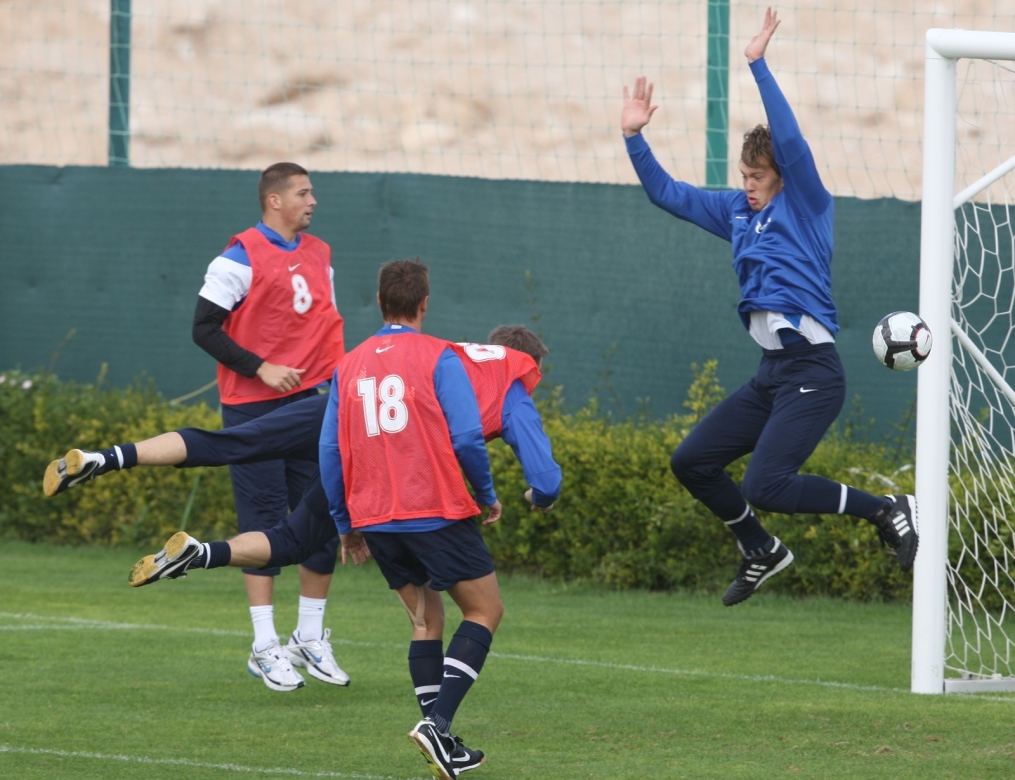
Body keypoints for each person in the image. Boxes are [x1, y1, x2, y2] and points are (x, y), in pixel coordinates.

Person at [620, 8, 918, 607]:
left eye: (759, 175)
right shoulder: (737, 211)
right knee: (692, 461)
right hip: (772, 376)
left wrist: (757, 65)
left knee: (767, 481)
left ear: (782, 176)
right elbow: (667, 194)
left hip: (813, 370)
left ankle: (887, 510)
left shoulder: (806, 202)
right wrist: (634, 136)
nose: (750, 183)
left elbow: (790, 141)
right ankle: (760, 548)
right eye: (745, 175)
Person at [44, 162, 348, 691]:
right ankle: (263, 645)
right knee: (264, 520)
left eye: (312, 192)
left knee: (322, 515)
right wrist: (261, 367)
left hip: (316, 405)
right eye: (303, 192)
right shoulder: (239, 255)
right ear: (274, 201)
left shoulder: (321, 253)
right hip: (254, 404)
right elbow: (203, 328)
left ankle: (310, 636)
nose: (313, 200)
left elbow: (326, 326)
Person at [318, 258, 503, 780]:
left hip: (375, 516)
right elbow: (467, 437)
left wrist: (344, 523)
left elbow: (330, 451)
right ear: (425, 303)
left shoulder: (348, 365)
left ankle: (439, 739)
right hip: (435, 511)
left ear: (379, 303)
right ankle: (438, 725)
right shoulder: (439, 356)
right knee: (485, 612)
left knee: (426, 620)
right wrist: (487, 493)